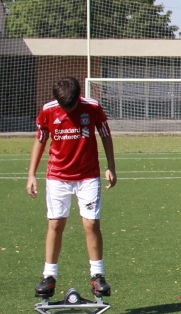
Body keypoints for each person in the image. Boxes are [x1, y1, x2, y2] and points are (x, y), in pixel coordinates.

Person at [26, 77, 117, 301]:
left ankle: (97, 275)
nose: (68, 110)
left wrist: (111, 167)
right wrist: (31, 174)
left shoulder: (93, 107)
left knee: (91, 223)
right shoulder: (48, 111)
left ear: (78, 96)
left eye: (72, 105)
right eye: (64, 106)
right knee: (56, 223)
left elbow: (105, 134)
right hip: (57, 176)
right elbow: (40, 139)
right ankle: (49, 276)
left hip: (88, 176)